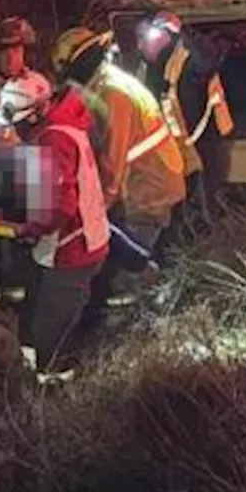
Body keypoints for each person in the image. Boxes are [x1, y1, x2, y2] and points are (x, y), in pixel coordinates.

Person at [50, 25, 186, 312]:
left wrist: (93, 208)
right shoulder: (104, 84)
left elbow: (112, 161)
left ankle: (125, 334)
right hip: (143, 186)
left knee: (124, 277)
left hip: (147, 191)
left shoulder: (113, 94)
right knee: (125, 263)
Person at [0, 73, 111, 385]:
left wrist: (26, 228)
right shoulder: (63, 124)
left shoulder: (53, 139)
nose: (16, 130)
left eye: (18, 123)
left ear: (34, 114)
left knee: (51, 333)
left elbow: (59, 207)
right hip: (77, 241)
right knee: (40, 318)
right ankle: (34, 374)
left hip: (71, 248)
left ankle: (54, 390)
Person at [0, 15, 49, 308]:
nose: (10, 56)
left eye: (16, 49)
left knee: (21, 243)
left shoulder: (38, 85)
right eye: (3, 50)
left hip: (26, 172)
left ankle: (18, 301)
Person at [135, 10, 234, 229]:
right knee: (182, 206)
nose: (140, 46)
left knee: (209, 204)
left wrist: (182, 29)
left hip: (207, 142)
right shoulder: (148, 68)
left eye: (144, 38)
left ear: (164, 35)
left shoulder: (188, 58)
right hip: (176, 148)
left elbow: (209, 59)